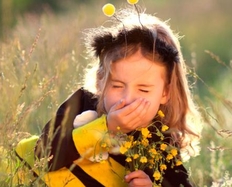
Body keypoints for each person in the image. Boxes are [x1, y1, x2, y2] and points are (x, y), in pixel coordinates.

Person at [15, 5, 202, 187]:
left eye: (143, 90)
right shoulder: (83, 102)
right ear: (100, 81)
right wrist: (106, 128)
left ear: (165, 93)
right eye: (117, 85)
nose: (127, 99)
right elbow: (43, 154)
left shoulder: (161, 140)